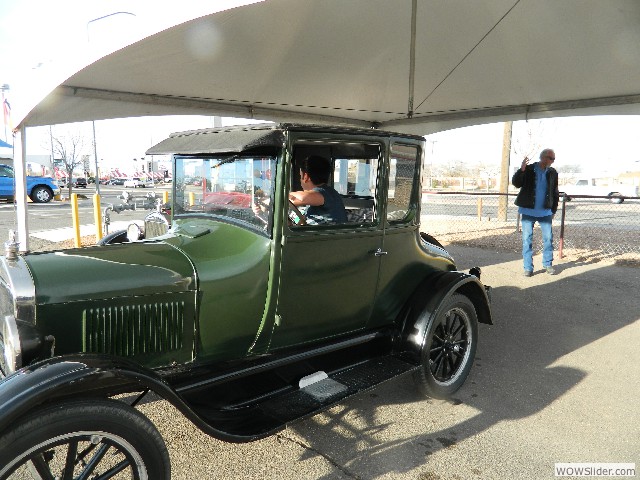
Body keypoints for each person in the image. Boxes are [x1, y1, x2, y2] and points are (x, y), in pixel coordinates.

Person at [512, 148, 560, 276]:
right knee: (527, 240)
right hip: (528, 211)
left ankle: (548, 264)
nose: (553, 161)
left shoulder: (553, 172)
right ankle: (528, 268)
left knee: (548, 239)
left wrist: (553, 209)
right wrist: (521, 169)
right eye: (551, 158)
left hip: (545, 212)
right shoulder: (529, 169)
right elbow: (516, 183)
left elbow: (555, 192)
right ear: (543, 157)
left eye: (554, 159)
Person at [289, 155, 347, 224]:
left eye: (300, 176)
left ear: (305, 177)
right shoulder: (326, 194)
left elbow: (301, 198)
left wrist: (279, 194)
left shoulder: (324, 192)